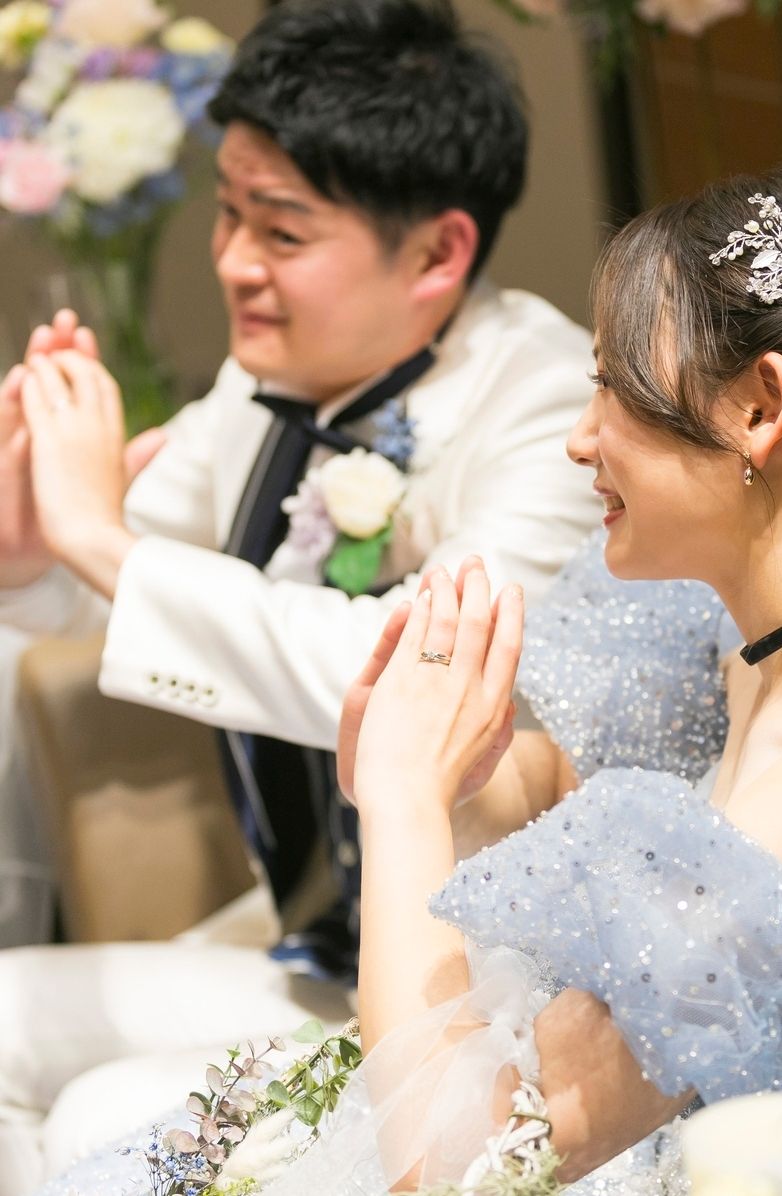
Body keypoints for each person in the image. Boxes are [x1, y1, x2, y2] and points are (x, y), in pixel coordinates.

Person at [37, 159, 782, 1196]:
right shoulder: (741, 635)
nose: (580, 440)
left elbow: (462, 1170)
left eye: (616, 389)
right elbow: (567, 810)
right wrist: (458, 775)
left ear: (761, 406)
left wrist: (400, 804)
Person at [0, 0, 598, 1187]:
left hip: (478, 985)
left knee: (98, 1120)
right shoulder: (264, 380)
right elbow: (132, 602)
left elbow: (415, 689)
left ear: (438, 253)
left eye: (280, 229)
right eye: (227, 211)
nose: (231, 261)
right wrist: (31, 549)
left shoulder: (547, 408)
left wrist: (95, 536)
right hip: (309, 942)